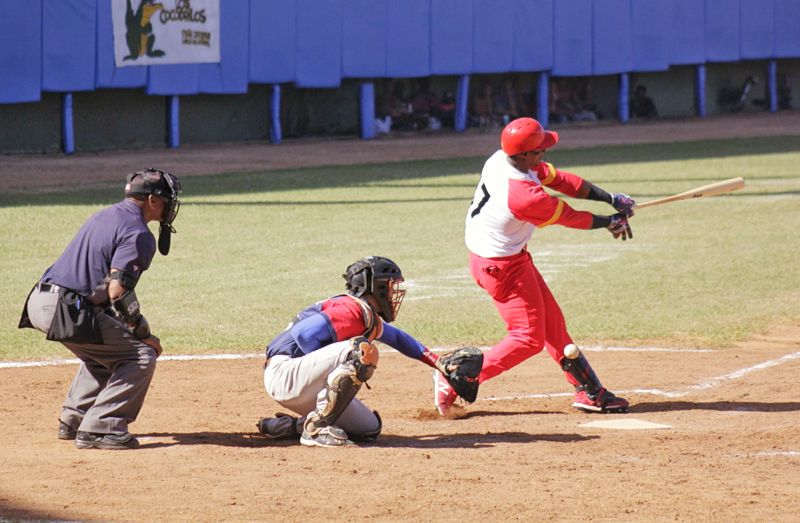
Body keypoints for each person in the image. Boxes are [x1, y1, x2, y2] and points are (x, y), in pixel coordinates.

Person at [433, 117, 634, 416]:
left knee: (552, 324)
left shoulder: (504, 159)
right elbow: (569, 216)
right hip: (501, 267)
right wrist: (609, 222)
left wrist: (610, 198)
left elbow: (561, 180)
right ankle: (457, 378)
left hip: (506, 258)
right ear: (525, 153)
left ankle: (590, 392)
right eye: (540, 149)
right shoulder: (524, 197)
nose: (544, 152)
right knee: (527, 338)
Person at [18, 168, 182, 449]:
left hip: (40, 300)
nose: (170, 207)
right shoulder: (139, 233)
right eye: (167, 200)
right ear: (153, 200)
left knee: (102, 355)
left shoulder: (105, 215)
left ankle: (74, 419)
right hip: (67, 308)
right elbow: (118, 291)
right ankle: (101, 427)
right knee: (140, 356)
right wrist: (142, 333)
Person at [258, 256, 445, 447]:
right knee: (359, 350)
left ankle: (289, 426)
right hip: (286, 375)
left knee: (367, 428)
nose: (393, 292)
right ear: (377, 286)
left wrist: (440, 364)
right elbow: (304, 335)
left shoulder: (364, 314)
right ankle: (316, 429)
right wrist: (327, 367)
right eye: (391, 285)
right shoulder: (351, 311)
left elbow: (397, 338)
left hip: (303, 382)